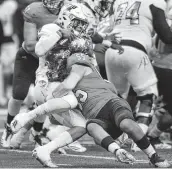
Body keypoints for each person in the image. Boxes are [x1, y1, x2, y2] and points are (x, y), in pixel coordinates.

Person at [1, 0, 86, 153]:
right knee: (20, 94)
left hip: (55, 61)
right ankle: (8, 129)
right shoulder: (38, 14)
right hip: (33, 58)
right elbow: (30, 45)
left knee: (47, 98)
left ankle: (39, 133)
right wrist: (58, 41)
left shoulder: (71, 8)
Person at [104, 0, 172, 149]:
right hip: (135, 49)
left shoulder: (118, 2)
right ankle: (139, 139)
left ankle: (112, 136)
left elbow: (109, 27)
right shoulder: (156, 2)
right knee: (147, 97)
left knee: (118, 98)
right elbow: (166, 36)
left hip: (111, 50)